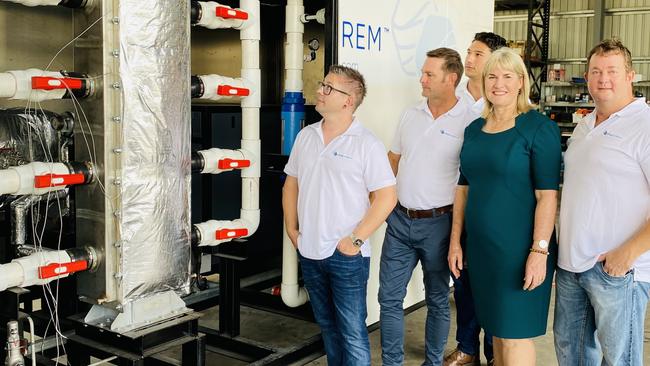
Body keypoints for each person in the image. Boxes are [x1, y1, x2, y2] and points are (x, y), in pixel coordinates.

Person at [448, 47, 561, 365]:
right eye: (492, 76)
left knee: (514, 337)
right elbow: (463, 188)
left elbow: (547, 196)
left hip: (519, 252)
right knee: (496, 332)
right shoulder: (474, 130)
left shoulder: (539, 129)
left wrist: (539, 251)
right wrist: (457, 241)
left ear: (522, 82)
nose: (499, 83)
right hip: (482, 251)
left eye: (508, 76)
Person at [282, 65, 397, 365]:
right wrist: (292, 229)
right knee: (329, 330)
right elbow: (291, 183)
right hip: (309, 250)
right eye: (322, 85)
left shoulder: (366, 143)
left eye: (329, 88)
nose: (320, 91)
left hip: (346, 256)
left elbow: (387, 196)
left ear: (348, 101)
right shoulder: (307, 136)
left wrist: (354, 241)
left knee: (353, 333)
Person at [554, 39, 650, 366]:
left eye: (612, 71)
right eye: (595, 71)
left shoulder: (645, 124)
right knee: (572, 356)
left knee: (620, 359)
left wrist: (628, 253)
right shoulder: (584, 125)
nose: (603, 78)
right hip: (571, 266)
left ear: (631, 76)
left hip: (617, 270)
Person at [378, 48, 475, 366]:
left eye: (429, 74)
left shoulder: (471, 119)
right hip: (400, 220)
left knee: (436, 299)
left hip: (441, 224)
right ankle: (392, 362)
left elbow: (472, 178)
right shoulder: (411, 114)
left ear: (451, 79)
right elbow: (392, 160)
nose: (421, 79)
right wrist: (380, 207)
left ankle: (432, 362)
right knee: (389, 298)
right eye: (423, 72)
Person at [445, 32, 507, 366]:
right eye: (469, 52)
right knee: (464, 282)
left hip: (491, 208)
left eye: (478, 54)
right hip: (458, 204)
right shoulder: (452, 100)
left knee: (494, 285)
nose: (469, 59)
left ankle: (495, 351)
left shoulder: (501, 103)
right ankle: (467, 346)